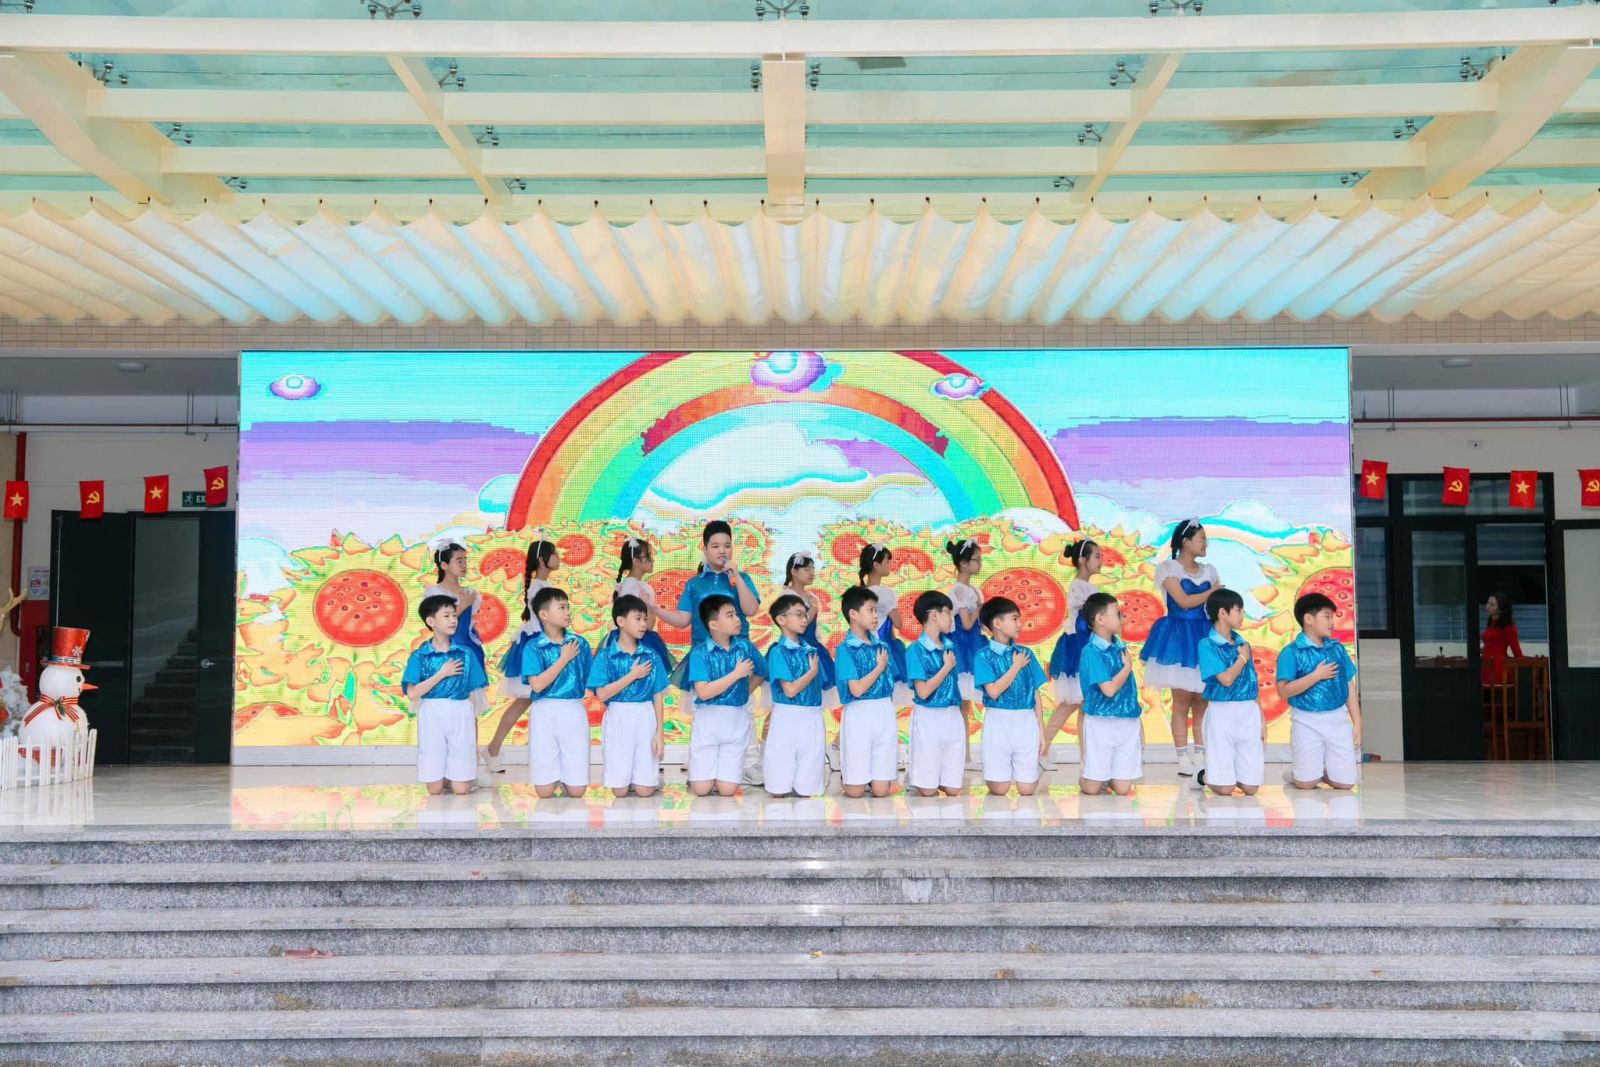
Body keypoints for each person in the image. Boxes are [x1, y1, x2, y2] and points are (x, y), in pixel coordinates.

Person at [1139, 519, 1221, 778]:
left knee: (1203, 703)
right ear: (1186, 542)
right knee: (1181, 702)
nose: (1205, 544)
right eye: (1201, 539)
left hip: (1205, 637)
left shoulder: (1209, 571)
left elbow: (1215, 605)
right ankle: (1182, 757)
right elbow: (1183, 602)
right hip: (1178, 639)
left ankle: (1202, 757)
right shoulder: (1168, 568)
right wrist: (1212, 592)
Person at [484, 534, 562, 772]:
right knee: (533, 701)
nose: (559, 557)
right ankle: (496, 749)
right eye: (554, 553)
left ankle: (494, 748)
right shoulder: (540, 588)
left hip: (541, 646)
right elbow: (546, 623)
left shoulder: (541, 586)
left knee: (529, 702)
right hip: (540, 648)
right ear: (542, 560)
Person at [403, 594, 489, 796]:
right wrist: (442, 674)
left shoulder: (465, 654)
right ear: (431, 621)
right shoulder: (420, 655)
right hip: (432, 712)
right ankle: (448, 774)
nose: (453, 620)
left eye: (454, 615)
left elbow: (473, 693)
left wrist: (474, 735)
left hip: (460, 710)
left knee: (461, 790)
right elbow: (413, 693)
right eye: (446, 616)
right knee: (434, 789)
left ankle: (462, 774)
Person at [1276, 592, 1361, 791]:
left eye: (1333, 617)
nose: (1332, 622)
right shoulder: (1292, 652)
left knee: (1346, 783)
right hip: (1305, 719)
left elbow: (1348, 686)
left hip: (1337, 718)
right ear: (1308, 619)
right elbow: (1283, 690)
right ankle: (1297, 775)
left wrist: (1357, 722)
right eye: (1327, 616)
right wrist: (1316, 676)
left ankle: (1323, 772)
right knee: (1306, 784)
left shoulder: (1337, 649)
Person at [683, 594, 767, 797]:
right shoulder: (700, 652)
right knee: (701, 790)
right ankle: (703, 775)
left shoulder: (745, 647)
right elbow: (703, 692)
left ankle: (724, 775)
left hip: (736, 717)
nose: (737, 619)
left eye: (736, 614)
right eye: (730, 615)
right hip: (709, 718)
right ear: (713, 624)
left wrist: (745, 691)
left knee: (728, 790)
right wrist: (736, 675)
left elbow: (762, 670)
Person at [587, 594, 670, 798]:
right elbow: (602, 693)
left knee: (644, 791)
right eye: (638, 619)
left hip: (645, 714)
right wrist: (632, 675)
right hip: (618, 715)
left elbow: (657, 695)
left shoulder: (651, 655)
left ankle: (647, 778)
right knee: (620, 790)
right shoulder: (606, 656)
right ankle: (629, 777)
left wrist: (659, 732)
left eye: (645, 619)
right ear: (620, 621)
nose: (643, 624)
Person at [518, 586, 593, 799]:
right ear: (544, 615)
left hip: (573, 708)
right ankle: (553, 777)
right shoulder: (533, 647)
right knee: (544, 792)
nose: (568, 612)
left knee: (577, 791)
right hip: (544, 710)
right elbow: (537, 685)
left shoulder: (580, 643)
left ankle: (567, 777)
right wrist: (563, 659)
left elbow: (591, 679)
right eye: (561, 607)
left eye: (568, 607)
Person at [973, 595, 1049, 797]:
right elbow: (993, 691)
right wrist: (1015, 666)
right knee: (1000, 789)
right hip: (998, 720)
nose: (1019, 624)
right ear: (997, 623)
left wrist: (1041, 731)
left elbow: (1035, 692)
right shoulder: (983, 655)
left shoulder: (1026, 653)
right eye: (1014, 619)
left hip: (1026, 719)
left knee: (1027, 789)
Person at [833, 585, 902, 798]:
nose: (875, 616)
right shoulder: (845, 649)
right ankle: (849, 776)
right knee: (855, 791)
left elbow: (890, 682)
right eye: (870, 610)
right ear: (853, 614)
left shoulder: (882, 646)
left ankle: (876, 778)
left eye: (876, 610)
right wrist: (879, 667)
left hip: (883, 709)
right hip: (859, 711)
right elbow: (856, 689)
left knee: (882, 791)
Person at [1195, 589, 1264, 797]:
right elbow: (1225, 679)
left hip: (1248, 710)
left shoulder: (1243, 644)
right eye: (1238, 610)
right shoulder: (1207, 645)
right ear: (1223, 613)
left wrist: (1261, 717)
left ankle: (1230, 774)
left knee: (1251, 788)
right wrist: (1242, 659)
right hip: (1222, 710)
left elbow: (1253, 683)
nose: (1242, 615)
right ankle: (1204, 776)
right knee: (1225, 789)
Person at [762, 593, 828, 798]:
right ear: (781, 620)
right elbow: (789, 690)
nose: (804, 619)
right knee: (780, 776)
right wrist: (811, 672)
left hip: (812, 713)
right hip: (787, 715)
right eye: (798, 614)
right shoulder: (778, 651)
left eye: (805, 614)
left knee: (809, 773)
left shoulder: (810, 650)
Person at [1077, 592, 1143, 796]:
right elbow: (1109, 689)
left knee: (1123, 789)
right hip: (1100, 720)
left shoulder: (1120, 647)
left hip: (1126, 719)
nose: (1123, 618)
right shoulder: (1091, 651)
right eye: (1117, 613)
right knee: (1092, 789)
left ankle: (1108, 774)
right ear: (1100, 619)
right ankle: (1089, 775)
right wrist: (1127, 668)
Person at [904, 590, 968, 797]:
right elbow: (923, 692)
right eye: (948, 613)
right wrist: (946, 667)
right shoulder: (916, 650)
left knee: (953, 789)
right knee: (928, 791)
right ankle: (917, 776)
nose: (951, 619)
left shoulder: (950, 646)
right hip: (928, 716)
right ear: (933, 615)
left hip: (952, 713)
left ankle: (934, 775)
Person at [1043, 538, 1101, 765]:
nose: (1101, 561)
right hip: (1079, 648)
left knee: (1084, 705)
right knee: (1072, 703)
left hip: (1087, 646)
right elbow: (1088, 618)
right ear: (1083, 560)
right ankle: (1042, 749)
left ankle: (1086, 758)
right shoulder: (1079, 586)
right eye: (1097, 556)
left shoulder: (1088, 587)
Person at [421, 539, 489, 714]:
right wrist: (463, 605)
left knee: (471, 707)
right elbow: (438, 623)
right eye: (459, 560)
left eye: (465, 560)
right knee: (446, 703)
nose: (464, 565)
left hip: (470, 650)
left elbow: (469, 624)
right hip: (445, 652)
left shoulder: (472, 593)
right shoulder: (434, 592)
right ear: (444, 565)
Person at [605, 536, 689, 671]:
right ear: (636, 561)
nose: (652, 560)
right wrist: (649, 607)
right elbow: (648, 625)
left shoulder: (638, 586)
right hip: (635, 642)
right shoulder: (633, 587)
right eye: (648, 556)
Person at [780, 552, 839, 710]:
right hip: (795, 649)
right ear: (794, 571)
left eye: (813, 569)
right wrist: (812, 609)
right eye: (807, 569)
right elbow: (797, 625)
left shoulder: (811, 596)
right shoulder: (787, 595)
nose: (811, 573)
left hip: (812, 647)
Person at [859, 542, 912, 708]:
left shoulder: (859, 593)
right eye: (887, 561)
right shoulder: (884, 593)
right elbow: (898, 623)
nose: (890, 564)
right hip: (885, 647)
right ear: (876, 565)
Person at [945, 537, 984, 709]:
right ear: (963, 564)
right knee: (962, 697)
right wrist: (979, 608)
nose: (980, 563)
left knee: (966, 700)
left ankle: (965, 728)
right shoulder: (959, 590)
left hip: (972, 641)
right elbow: (967, 624)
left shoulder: (972, 589)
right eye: (977, 559)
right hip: (962, 644)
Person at [1481, 592, 1524, 684]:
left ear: (1500, 609)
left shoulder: (1509, 627)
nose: (1488, 606)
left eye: (1492, 605)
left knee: (1493, 689)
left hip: (1498, 665)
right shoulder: (1491, 623)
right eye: (1488, 603)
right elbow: (1491, 644)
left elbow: (1516, 651)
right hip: (1486, 663)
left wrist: (1525, 669)